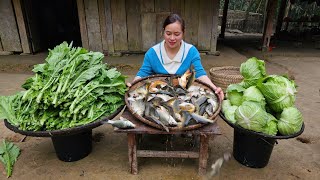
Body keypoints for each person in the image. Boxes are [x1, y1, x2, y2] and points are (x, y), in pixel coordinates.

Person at [130, 13, 224, 100]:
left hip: (185, 97)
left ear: (183, 33)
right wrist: (132, 86)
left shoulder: (191, 52)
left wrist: (215, 89)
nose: (172, 38)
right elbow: (142, 74)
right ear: (163, 32)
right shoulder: (152, 53)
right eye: (168, 33)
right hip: (158, 97)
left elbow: (200, 74)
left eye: (177, 34)